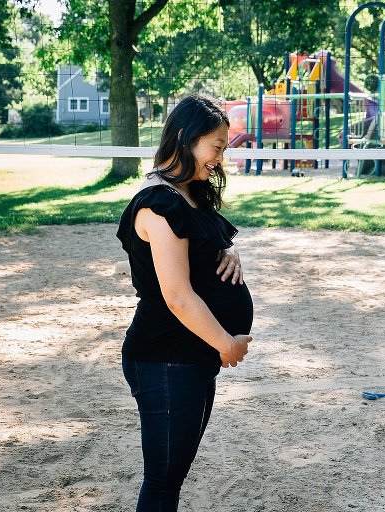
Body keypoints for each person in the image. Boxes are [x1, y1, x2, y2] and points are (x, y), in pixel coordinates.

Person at [116, 93, 253, 511]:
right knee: (162, 481)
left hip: (189, 356)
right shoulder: (159, 205)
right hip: (165, 358)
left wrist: (228, 252)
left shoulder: (189, 193)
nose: (220, 159)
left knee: (171, 478)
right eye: (216, 147)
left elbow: (200, 251)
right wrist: (225, 344)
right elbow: (176, 295)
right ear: (185, 137)